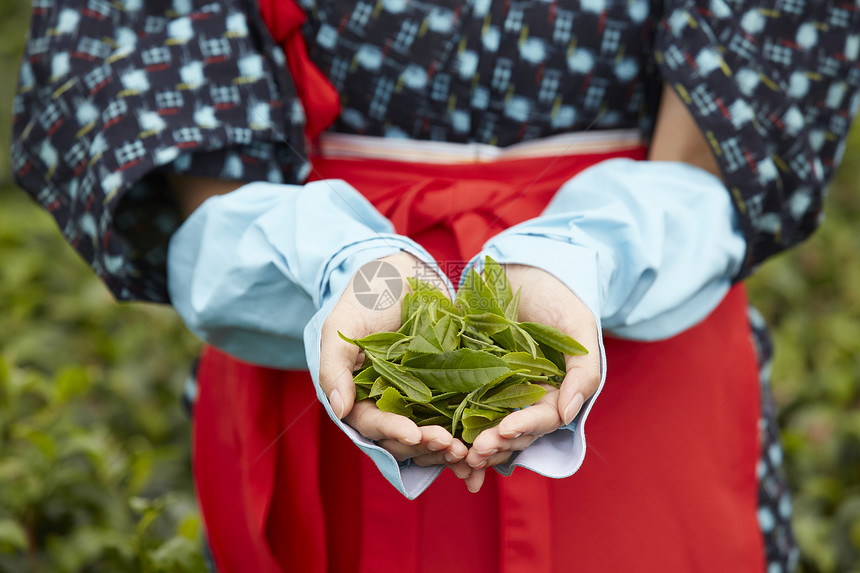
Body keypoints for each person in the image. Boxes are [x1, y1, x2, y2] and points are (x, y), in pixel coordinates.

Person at [12, 0, 859, 571]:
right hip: (325, 342)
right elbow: (204, 191)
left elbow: (707, 162)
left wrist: (573, 261)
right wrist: (354, 272)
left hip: (637, 338)